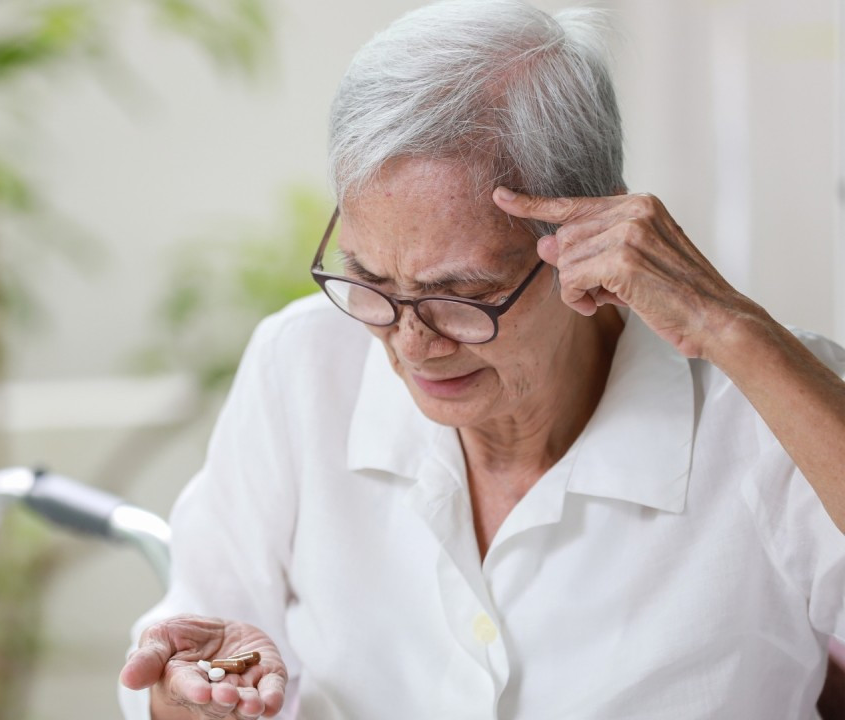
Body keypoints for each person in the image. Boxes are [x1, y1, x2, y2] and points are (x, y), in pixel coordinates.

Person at [117, 1, 845, 717]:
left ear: (598, 236)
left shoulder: (771, 412)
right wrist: (188, 699)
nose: (411, 341)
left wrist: (730, 327)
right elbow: (201, 635)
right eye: (370, 282)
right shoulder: (302, 365)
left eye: (461, 294)